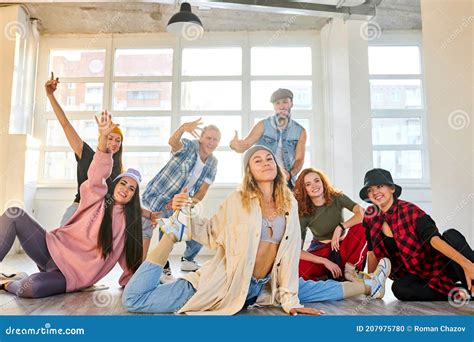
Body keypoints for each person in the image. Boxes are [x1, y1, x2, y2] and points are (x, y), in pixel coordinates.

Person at [122, 146, 391, 315]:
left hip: (263, 285)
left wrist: (291, 301)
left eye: (269, 158)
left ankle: (370, 286)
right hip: (224, 282)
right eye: (257, 160)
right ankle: (171, 233)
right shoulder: (237, 201)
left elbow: (287, 256)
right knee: (134, 300)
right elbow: (210, 233)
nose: (265, 162)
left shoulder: (290, 204)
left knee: (311, 291)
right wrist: (185, 218)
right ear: (249, 171)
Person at [0, 112, 143, 297]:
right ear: (115, 184)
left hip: (70, 275)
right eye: (123, 183)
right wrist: (102, 141)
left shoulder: (127, 226)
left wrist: (137, 284)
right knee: (14, 213)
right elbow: (96, 174)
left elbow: (130, 263)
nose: (125, 189)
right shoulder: (97, 197)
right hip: (51, 250)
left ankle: (8, 282)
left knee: (29, 288)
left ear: (134, 195)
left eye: (132, 188)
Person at [45, 73, 158, 256]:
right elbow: (65, 124)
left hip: (101, 214)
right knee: (58, 248)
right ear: (102, 137)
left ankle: (137, 272)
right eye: (110, 138)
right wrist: (51, 95)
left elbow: (121, 200)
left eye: (118, 140)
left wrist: (148, 214)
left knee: (142, 224)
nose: (113, 143)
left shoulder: (118, 170)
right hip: (80, 208)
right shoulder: (87, 153)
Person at [360, 168, 474, 301]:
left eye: (379, 186)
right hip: (416, 275)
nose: (375, 192)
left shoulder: (411, 211)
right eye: (370, 189)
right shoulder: (370, 216)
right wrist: (371, 283)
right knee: (399, 288)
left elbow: (434, 240)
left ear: (392, 189)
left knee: (451, 235)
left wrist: (467, 265)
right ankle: (460, 293)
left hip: (441, 265)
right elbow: (372, 252)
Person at [141, 118, 220, 282]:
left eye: (215, 139)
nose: (211, 142)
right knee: (170, 223)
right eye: (208, 138)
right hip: (158, 195)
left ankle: (188, 260)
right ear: (201, 138)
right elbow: (173, 142)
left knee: (197, 224)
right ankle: (161, 265)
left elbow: (202, 191)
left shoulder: (213, 162)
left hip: (183, 201)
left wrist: (187, 204)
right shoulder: (190, 146)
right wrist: (183, 128)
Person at [294, 168, 367, 281]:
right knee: (297, 268)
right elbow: (297, 250)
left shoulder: (337, 197)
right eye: (308, 184)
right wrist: (324, 261)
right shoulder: (304, 213)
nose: (314, 186)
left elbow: (362, 213)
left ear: (322, 182)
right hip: (321, 252)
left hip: (344, 250)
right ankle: (327, 275)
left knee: (365, 224)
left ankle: (350, 270)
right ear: (304, 189)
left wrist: (341, 227)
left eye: (316, 181)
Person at [230, 88, 307, 187]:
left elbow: (299, 159)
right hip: (262, 178)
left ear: (291, 104)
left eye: (285, 102)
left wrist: (290, 174)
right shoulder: (262, 125)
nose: (281, 106)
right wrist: (234, 145)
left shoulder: (300, 131)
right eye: (277, 103)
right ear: (274, 106)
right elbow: (244, 146)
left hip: (285, 181)